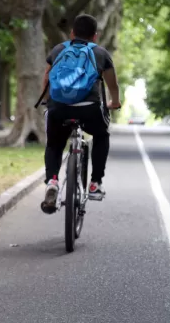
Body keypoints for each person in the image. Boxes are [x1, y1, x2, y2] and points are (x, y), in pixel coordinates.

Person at [40, 14, 121, 214]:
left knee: (54, 143)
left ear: (72, 33)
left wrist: (45, 100)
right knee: (101, 135)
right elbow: (112, 84)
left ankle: (52, 180)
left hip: (59, 107)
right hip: (89, 108)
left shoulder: (59, 49)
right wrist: (115, 102)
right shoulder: (101, 53)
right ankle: (95, 183)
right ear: (95, 36)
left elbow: (47, 77)